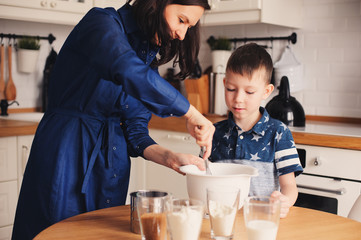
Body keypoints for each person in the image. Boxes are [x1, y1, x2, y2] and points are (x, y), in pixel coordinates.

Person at [12, 1, 214, 239]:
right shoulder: (101, 23)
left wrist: (170, 158)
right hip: (66, 154)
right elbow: (125, 67)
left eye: (189, 27)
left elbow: (135, 130)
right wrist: (190, 112)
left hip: (110, 168)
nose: (181, 35)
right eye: (181, 20)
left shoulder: (146, 53)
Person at [209, 43, 303, 218]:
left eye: (249, 92)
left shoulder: (278, 133)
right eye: (231, 89)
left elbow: (290, 187)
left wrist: (284, 201)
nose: (238, 98)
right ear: (224, 83)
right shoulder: (213, 132)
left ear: (266, 91)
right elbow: (203, 177)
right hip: (222, 221)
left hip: (261, 221)